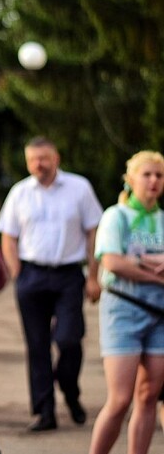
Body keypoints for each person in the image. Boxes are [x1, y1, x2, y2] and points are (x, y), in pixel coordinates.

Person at [0, 136, 103, 431]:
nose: (38, 164)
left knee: (69, 338)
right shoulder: (20, 192)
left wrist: (94, 276)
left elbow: (93, 232)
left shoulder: (79, 188)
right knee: (37, 345)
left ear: (56, 158)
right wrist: (17, 273)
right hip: (31, 275)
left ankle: (70, 389)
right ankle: (45, 412)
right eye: (33, 160)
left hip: (69, 274)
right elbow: (8, 236)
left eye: (43, 158)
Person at [89, 150, 164, 454]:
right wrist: (157, 272)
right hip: (123, 310)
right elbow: (112, 262)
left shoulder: (161, 219)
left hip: (159, 314)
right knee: (120, 400)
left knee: (148, 395)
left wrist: (138, 260)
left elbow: (125, 260)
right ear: (131, 179)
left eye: (159, 175)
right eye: (147, 174)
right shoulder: (115, 216)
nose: (153, 180)